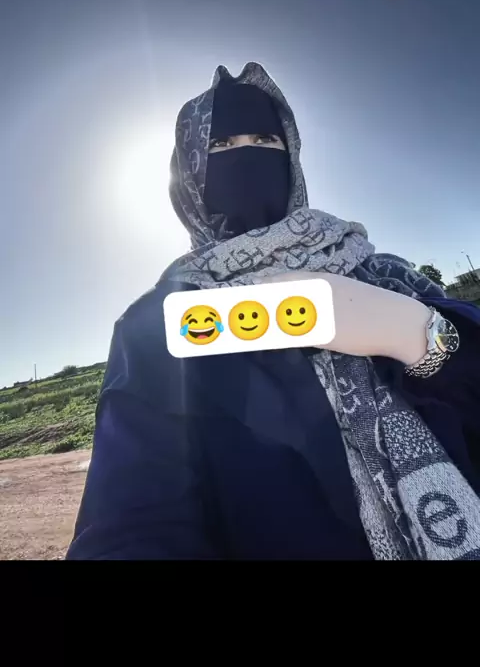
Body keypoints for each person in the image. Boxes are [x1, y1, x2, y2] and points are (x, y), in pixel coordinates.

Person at [67, 62, 480, 561]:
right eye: (221, 145)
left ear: (292, 156)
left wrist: (421, 335)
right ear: (189, 175)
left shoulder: (381, 273)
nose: (246, 156)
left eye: (266, 139)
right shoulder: (160, 323)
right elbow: (134, 519)